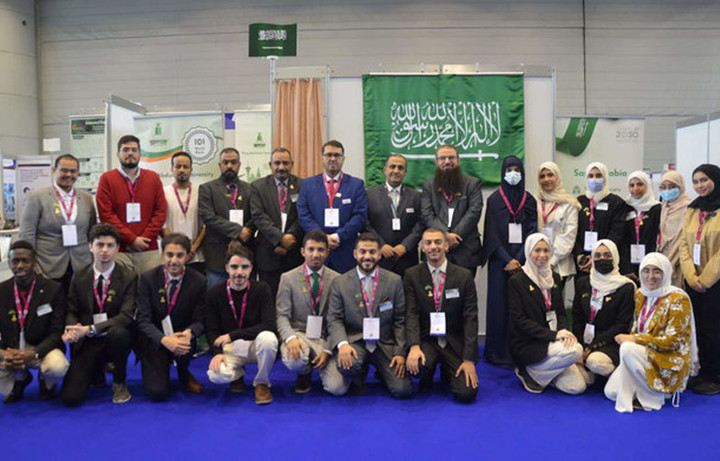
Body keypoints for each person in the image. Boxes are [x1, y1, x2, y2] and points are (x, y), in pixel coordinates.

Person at [605, 252, 698, 412]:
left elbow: (672, 342)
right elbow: (636, 326)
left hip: (668, 357)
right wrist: (635, 339)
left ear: (666, 272)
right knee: (611, 392)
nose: (650, 276)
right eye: (646, 271)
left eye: (657, 271)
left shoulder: (678, 299)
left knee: (627, 348)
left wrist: (636, 339)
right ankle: (648, 387)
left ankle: (654, 396)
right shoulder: (640, 294)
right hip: (645, 353)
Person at [325, 233, 412, 398]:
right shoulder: (340, 283)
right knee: (348, 366)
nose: (367, 256)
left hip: (384, 342)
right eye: (362, 252)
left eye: (372, 252)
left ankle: (382, 372)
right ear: (355, 254)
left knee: (403, 390)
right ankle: (359, 373)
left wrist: (400, 352)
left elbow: (400, 320)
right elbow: (334, 319)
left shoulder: (394, 281)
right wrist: (342, 344)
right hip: (356, 341)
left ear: (379, 254)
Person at [60, 223, 137, 406]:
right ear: (90, 246)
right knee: (70, 398)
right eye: (99, 245)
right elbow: (71, 309)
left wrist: (91, 329)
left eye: (110, 245)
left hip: (113, 338)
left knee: (120, 332)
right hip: (87, 341)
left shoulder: (129, 276)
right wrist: (72, 328)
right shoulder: (79, 276)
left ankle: (119, 381)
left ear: (117, 248)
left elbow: (127, 315)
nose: (104, 250)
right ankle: (97, 372)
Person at [404, 228, 479, 402]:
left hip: (453, 341)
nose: (433, 247)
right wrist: (414, 346)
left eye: (438, 242)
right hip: (427, 340)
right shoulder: (412, 275)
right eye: (428, 243)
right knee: (418, 367)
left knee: (466, 393)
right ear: (423, 247)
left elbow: (470, 318)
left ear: (446, 245)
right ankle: (427, 373)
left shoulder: (464, 276)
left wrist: (468, 360)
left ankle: (447, 371)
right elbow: (411, 313)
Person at [509, 233, 585, 395]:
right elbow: (519, 320)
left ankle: (539, 375)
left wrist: (564, 333)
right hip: (529, 343)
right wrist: (554, 335)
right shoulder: (517, 280)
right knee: (576, 350)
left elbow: (560, 313)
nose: (542, 255)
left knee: (577, 388)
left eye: (546, 250)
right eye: (537, 250)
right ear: (528, 252)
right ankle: (528, 369)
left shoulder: (555, 277)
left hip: (554, 340)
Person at [136, 233, 206, 401]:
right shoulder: (148, 279)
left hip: (181, 337)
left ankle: (183, 372)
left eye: (180, 255)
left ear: (187, 256)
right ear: (162, 255)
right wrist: (164, 340)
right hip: (156, 338)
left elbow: (200, 320)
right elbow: (143, 320)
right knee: (157, 393)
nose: (174, 261)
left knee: (186, 343)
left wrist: (188, 333)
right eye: (169, 255)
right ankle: (160, 367)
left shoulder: (199, 281)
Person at [483, 155, 538, 368]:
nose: (513, 174)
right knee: (498, 307)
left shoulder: (529, 200)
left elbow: (532, 231)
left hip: (523, 263)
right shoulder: (494, 200)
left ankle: (519, 352)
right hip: (500, 262)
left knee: (520, 308)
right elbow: (491, 233)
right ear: (503, 173)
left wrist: (520, 259)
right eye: (509, 170)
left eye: (517, 169)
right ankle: (497, 353)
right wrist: (507, 259)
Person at [205, 246, 278, 405]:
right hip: (230, 347)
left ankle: (262, 383)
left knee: (268, 339)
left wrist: (233, 335)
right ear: (226, 268)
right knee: (216, 375)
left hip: (255, 345)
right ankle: (237, 374)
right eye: (234, 267)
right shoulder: (214, 293)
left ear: (251, 268)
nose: (239, 272)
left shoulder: (262, 289)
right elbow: (211, 330)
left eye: (244, 267)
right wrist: (217, 353)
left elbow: (269, 325)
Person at [0, 241, 68, 403]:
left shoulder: (53, 289)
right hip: (11, 349)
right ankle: (20, 378)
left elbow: (57, 331)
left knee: (57, 367)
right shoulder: (1, 291)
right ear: (9, 263)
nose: (20, 266)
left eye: (25, 261)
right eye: (15, 261)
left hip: (41, 348)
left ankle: (46, 382)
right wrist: (3, 354)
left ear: (34, 262)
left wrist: (34, 353)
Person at [276, 230, 341, 394]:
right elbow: (282, 316)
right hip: (299, 335)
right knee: (294, 360)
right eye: (311, 249)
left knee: (338, 388)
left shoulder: (337, 280)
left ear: (327, 252)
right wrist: (290, 338)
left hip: (324, 337)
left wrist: (327, 350)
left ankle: (319, 363)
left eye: (320, 250)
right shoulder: (287, 278)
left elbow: (338, 320)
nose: (315, 254)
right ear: (302, 251)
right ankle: (304, 371)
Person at [19, 154, 97, 290]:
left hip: (81, 265)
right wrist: (32, 265)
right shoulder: (36, 197)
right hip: (47, 266)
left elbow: (92, 232)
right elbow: (27, 234)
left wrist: (93, 261)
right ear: (54, 170)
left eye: (73, 171)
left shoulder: (87, 198)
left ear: (78, 173)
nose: (68, 175)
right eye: (64, 170)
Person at [96, 135, 167, 276]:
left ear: (140, 154)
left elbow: (160, 212)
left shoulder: (153, 178)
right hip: (120, 250)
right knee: (122, 288)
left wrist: (144, 238)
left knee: (149, 288)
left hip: (148, 249)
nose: (130, 153)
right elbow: (106, 214)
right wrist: (132, 239)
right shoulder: (107, 179)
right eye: (125, 150)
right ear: (118, 154)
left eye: (134, 150)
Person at [296, 140, 368, 273]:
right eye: (329, 155)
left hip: (345, 251)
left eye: (337, 155)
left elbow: (360, 216)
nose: (333, 159)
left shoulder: (356, 185)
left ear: (343, 159)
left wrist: (338, 236)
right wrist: (322, 238)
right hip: (316, 251)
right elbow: (303, 214)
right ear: (322, 158)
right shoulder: (308, 184)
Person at [679, 163, 720, 395]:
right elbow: (684, 245)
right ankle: (704, 371)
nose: (699, 185)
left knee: (714, 329)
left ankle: (716, 376)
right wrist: (691, 277)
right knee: (699, 328)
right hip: (693, 282)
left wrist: (705, 280)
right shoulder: (693, 209)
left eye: (704, 180)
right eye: (695, 181)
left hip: (714, 283)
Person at [572, 240, 635, 385]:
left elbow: (621, 325)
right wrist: (580, 347)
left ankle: (616, 376)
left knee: (595, 362)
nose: (602, 259)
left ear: (615, 258)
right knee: (581, 380)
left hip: (611, 342)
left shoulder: (625, 287)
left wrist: (592, 346)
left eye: (607, 255)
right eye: (598, 255)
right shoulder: (583, 282)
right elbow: (577, 317)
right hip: (585, 341)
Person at [420, 144, 484, 277]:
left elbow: (474, 212)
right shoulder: (428, 185)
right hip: (436, 249)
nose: (447, 161)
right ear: (436, 162)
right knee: (435, 288)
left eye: (451, 158)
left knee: (464, 288)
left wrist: (454, 236)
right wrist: (444, 235)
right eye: (442, 158)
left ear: (458, 160)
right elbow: (427, 214)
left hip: (465, 249)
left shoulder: (472, 184)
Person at [199, 147, 255, 287]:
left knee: (247, 298)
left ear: (239, 165)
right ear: (220, 165)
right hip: (217, 256)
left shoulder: (251, 189)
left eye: (233, 162)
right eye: (225, 162)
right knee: (215, 297)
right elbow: (208, 217)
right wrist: (238, 232)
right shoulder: (207, 189)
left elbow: (256, 216)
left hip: (245, 252)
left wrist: (239, 238)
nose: (229, 166)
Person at [251, 147, 304, 294]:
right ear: (270, 164)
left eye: (285, 163)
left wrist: (290, 237)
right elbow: (258, 216)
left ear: (292, 164)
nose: (281, 167)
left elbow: (303, 215)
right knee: (268, 298)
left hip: (294, 253)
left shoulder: (302, 185)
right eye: (277, 163)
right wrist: (280, 239)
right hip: (268, 254)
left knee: (295, 298)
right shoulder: (258, 186)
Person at [365, 154, 423, 277]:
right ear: (385, 170)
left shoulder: (416, 196)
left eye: (400, 168)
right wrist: (380, 244)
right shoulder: (369, 195)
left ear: (405, 172)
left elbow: (421, 224)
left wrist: (405, 246)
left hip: (407, 259)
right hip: (379, 257)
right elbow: (365, 224)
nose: (396, 171)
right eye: (392, 167)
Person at [573, 162, 628, 276]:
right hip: (583, 262)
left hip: (605, 259)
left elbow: (616, 233)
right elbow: (573, 231)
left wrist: (598, 256)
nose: (594, 179)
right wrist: (579, 255)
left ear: (605, 178)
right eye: (591, 176)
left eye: (598, 176)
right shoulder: (580, 201)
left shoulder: (616, 202)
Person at [535, 161, 580, 286]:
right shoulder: (534, 201)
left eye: (550, 175)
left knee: (555, 297)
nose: (546, 179)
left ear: (558, 177)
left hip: (559, 264)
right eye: (542, 176)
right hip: (536, 262)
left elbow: (569, 236)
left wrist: (551, 261)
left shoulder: (569, 203)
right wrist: (539, 258)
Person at [162, 151, 206, 274]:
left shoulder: (201, 191)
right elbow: (162, 225)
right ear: (172, 169)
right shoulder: (164, 192)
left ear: (191, 170)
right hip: (172, 257)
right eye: (178, 166)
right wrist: (177, 249)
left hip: (196, 256)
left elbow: (206, 225)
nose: (181, 170)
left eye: (185, 167)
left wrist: (193, 248)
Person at [621, 171, 660, 276]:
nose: (635, 188)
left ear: (647, 185)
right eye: (632, 185)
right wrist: (627, 268)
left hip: (651, 261)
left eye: (640, 184)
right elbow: (621, 238)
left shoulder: (656, 208)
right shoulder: (625, 207)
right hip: (627, 263)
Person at [657, 170, 691, 288]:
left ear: (680, 187)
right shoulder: (663, 207)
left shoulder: (688, 207)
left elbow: (683, 237)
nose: (667, 190)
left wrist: (671, 261)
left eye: (672, 186)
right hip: (662, 257)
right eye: (663, 187)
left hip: (679, 259)